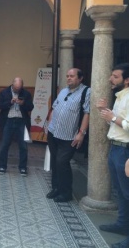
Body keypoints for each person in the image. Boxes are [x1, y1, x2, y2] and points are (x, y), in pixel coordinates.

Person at [97, 63, 129, 248]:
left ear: (126, 80)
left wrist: (112, 118)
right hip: (116, 148)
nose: (110, 79)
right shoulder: (120, 96)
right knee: (121, 193)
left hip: (125, 150)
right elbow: (117, 123)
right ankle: (122, 224)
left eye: (115, 76)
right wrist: (107, 112)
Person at [46, 68, 90, 203]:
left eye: (72, 76)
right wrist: (48, 125)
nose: (69, 78)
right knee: (54, 161)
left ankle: (66, 193)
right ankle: (56, 188)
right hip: (54, 133)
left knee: (62, 162)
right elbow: (54, 108)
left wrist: (81, 133)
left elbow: (87, 114)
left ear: (80, 78)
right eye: (67, 76)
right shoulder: (63, 91)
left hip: (69, 136)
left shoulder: (86, 92)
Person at [0, 77, 34, 176]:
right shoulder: (4, 92)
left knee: (23, 146)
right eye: (16, 88)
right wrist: (10, 102)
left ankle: (22, 168)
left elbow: (31, 107)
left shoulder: (26, 93)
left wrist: (23, 103)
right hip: (8, 121)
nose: (18, 90)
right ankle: (2, 166)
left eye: (19, 88)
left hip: (21, 122)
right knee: (5, 145)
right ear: (12, 85)